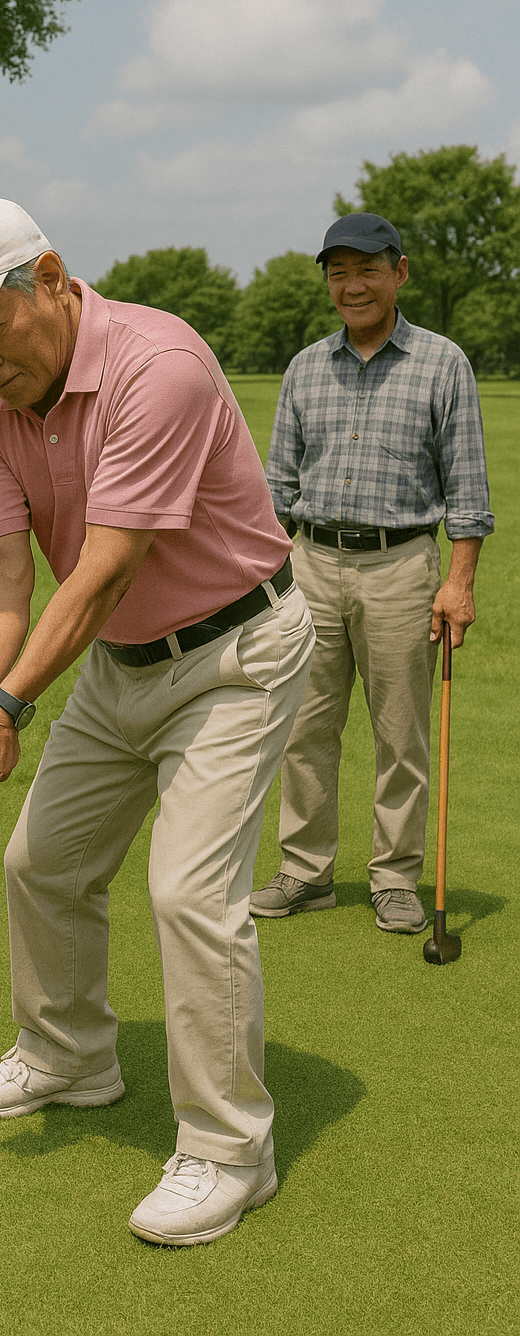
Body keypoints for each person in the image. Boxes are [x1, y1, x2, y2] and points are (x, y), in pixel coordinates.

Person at [0, 197, 315, 1246]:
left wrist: (6, 707)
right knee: (40, 863)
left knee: (188, 893)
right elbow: (3, 565)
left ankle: (231, 1149)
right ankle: (70, 1054)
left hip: (235, 653)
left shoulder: (157, 366)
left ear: (49, 278)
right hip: (118, 660)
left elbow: (105, 564)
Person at [252, 213, 493, 934]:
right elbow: (277, 487)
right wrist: (265, 579)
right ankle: (306, 871)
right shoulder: (305, 367)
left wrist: (459, 582)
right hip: (311, 564)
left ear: (400, 273)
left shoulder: (443, 362)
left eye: (367, 270)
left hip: (402, 567)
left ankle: (394, 878)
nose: (352, 286)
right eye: (339, 273)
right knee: (304, 729)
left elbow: (468, 487)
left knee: (400, 735)